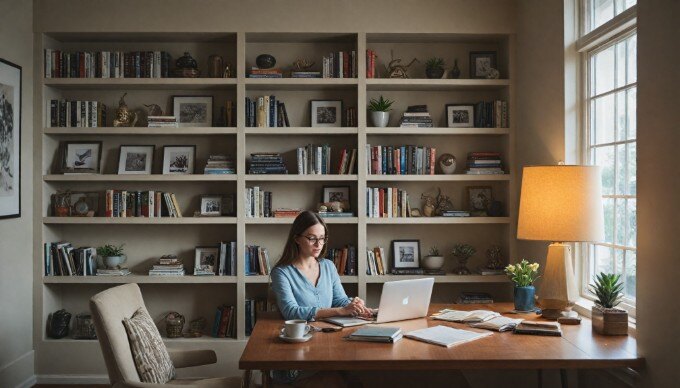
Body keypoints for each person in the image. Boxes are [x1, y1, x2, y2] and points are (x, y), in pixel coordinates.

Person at [270, 210, 370, 387]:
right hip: (297, 353)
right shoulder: (281, 272)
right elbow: (290, 312)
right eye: (312, 238)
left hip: (329, 345)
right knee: (339, 380)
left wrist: (354, 304)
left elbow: (340, 299)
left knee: (364, 373)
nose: (319, 244)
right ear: (297, 238)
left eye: (322, 238)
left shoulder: (328, 266)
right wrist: (340, 311)